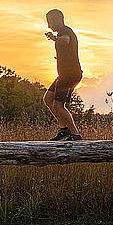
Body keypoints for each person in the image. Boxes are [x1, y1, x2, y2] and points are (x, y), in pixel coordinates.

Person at [42, 9, 83, 141]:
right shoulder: (63, 33)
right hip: (64, 74)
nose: (49, 26)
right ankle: (64, 129)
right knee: (48, 99)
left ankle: (75, 134)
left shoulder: (65, 31)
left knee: (58, 105)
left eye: (50, 22)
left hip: (70, 75)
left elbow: (65, 41)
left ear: (57, 19)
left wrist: (54, 38)